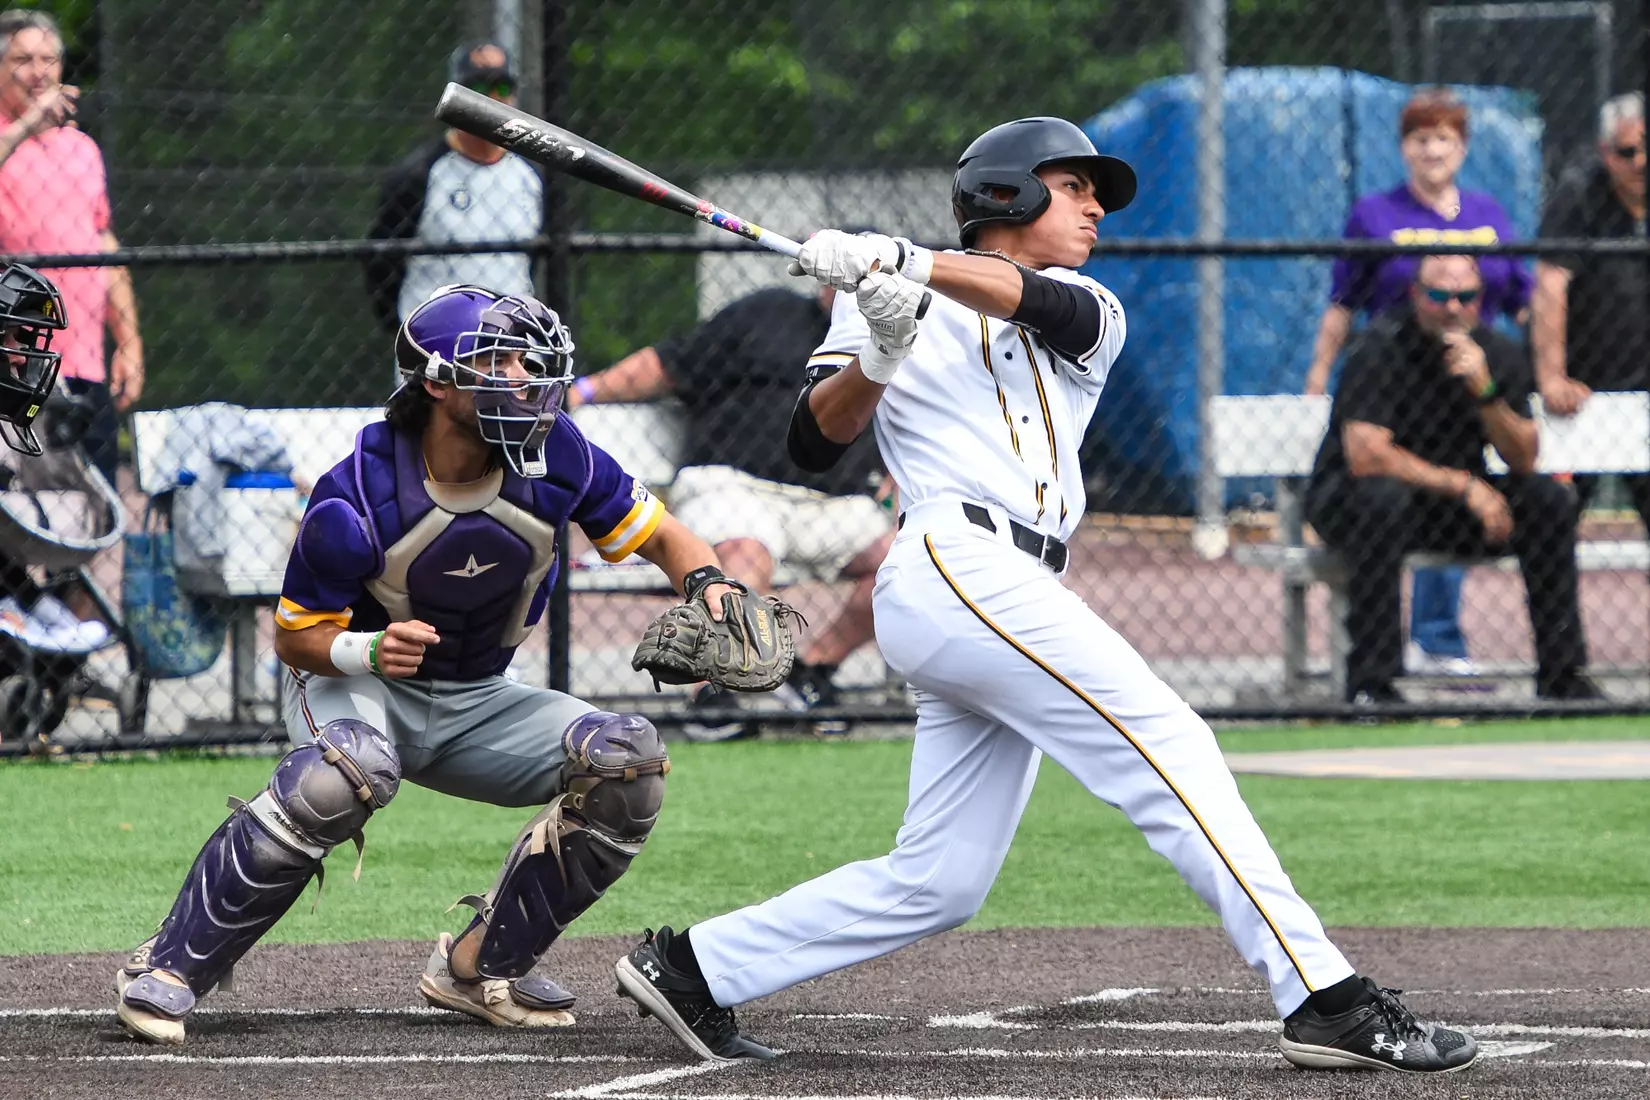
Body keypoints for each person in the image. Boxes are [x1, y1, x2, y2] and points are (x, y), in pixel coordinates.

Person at [610, 117, 1479, 1075]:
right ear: (1008, 195)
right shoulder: (879, 300)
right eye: (1075, 188)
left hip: (1012, 579)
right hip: (953, 561)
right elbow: (813, 443)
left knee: (940, 880)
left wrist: (910, 262)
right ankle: (1324, 993)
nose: (1097, 207)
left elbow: (1039, 306)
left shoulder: (1084, 301)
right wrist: (880, 351)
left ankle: (694, 966)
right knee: (1172, 740)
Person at [113, 284, 761, 1045]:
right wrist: (368, 649)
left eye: (530, 362)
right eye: (500, 362)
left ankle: (480, 966)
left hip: (478, 693)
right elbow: (294, 639)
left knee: (629, 763)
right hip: (358, 686)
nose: (526, 378)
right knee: (342, 774)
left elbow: (663, 536)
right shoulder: (357, 493)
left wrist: (711, 585)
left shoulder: (559, 455)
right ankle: (168, 966)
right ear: (437, 382)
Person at [568, 283, 893, 738]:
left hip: (833, 504)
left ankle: (812, 672)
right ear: (825, 281)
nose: (852, 288)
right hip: (734, 485)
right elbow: (670, 364)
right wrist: (583, 390)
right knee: (744, 555)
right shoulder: (766, 312)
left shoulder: (888, 339)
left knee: (908, 562)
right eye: (845, 275)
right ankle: (714, 691)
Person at [1306, 89, 1532, 680]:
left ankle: (1438, 638)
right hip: (1394, 378)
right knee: (1399, 488)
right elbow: (1343, 304)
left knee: (1473, 473)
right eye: (1421, 138)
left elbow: (1520, 300)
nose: (1433, 150)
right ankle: (1413, 645)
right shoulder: (1376, 215)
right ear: (1404, 148)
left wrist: (1535, 373)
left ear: (1463, 148)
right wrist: (1315, 378)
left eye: (1445, 139)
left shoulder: (1489, 214)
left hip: (1467, 381)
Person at [1306, 255, 1598, 705]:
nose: (1452, 308)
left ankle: (1563, 677)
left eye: (1465, 297)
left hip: (1447, 511)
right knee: (1381, 500)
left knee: (1549, 499)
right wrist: (1465, 486)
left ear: (1480, 301)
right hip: (1356, 502)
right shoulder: (1379, 346)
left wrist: (1484, 390)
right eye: (1439, 296)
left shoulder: (1495, 352)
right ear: (1416, 296)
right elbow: (1366, 455)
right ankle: (1372, 683)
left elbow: (1523, 455)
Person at [0, 8, 143, 488]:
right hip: (15, 367)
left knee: (91, 517)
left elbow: (103, 242)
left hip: (83, 366)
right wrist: (24, 128)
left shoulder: (81, 149)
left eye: (48, 59)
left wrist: (127, 341)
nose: (39, 72)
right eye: (22, 59)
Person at [1533, 92, 1650, 536]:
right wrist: (1551, 378)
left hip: (1645, 387)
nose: (1641, 161)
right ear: (1606, 152)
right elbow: (1550, 283)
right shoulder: (1579, 193)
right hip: (1585, 386)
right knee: (1555, 523)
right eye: (1628, 152)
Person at [365, 43, 542, 335]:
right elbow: (381, 265)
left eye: (501, 86)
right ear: (456, 96)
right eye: (479, 86)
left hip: (511, 350)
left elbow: (530, 265)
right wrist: (405, 335)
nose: (492, 98)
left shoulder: (530, 178)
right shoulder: (419, 175)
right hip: (437, 352)